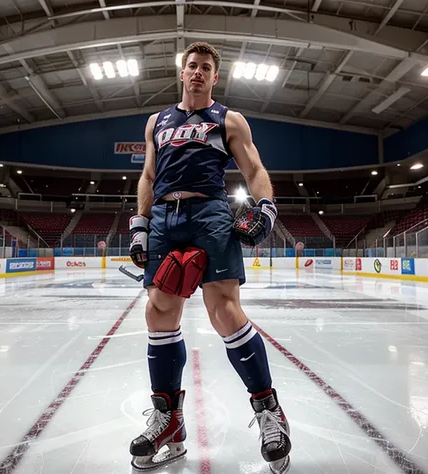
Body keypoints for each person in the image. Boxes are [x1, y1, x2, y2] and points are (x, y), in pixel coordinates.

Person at [128, 41, 291, 473]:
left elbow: (254, 170)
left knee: (224, 312)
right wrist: (141, 224)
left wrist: (266, 209)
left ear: (214, 77)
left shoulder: (228, 119)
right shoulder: (157, 122)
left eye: (205, 68)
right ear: (181, 73)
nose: (197, 72)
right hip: (164, 215)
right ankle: (170, 423)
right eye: (192, 66)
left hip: (210, 213)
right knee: (159, 313)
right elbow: (147, 174)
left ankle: (269, 413)